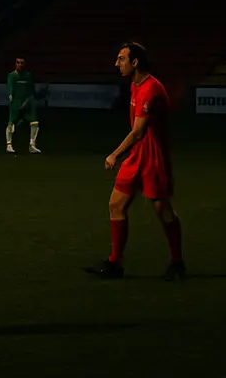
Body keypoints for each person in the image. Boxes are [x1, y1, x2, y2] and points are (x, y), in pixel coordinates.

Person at [84, 42, 185, 280]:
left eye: (121, 59)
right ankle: (115, 263)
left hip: (153, 157)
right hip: (137, 155)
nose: (116, 63)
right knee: (116, 205)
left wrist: (114, 154)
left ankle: (178, 262)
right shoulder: (135, 85)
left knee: (163, 210)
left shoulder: (151, 89)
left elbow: (139, 131)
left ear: (135, 61)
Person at [5, 56, 41, 153]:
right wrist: (11, 95)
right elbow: (10, 87)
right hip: (16, 103)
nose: (20, 65)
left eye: (22, 63)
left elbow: (30, 90)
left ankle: (32, 145)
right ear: (15, 64)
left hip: (27, 103)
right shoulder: (12, 75)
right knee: (11, 123)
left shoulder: (28, 76)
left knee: (34, 123)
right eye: (18, 62)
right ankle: (9, 145)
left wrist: (27, 101)